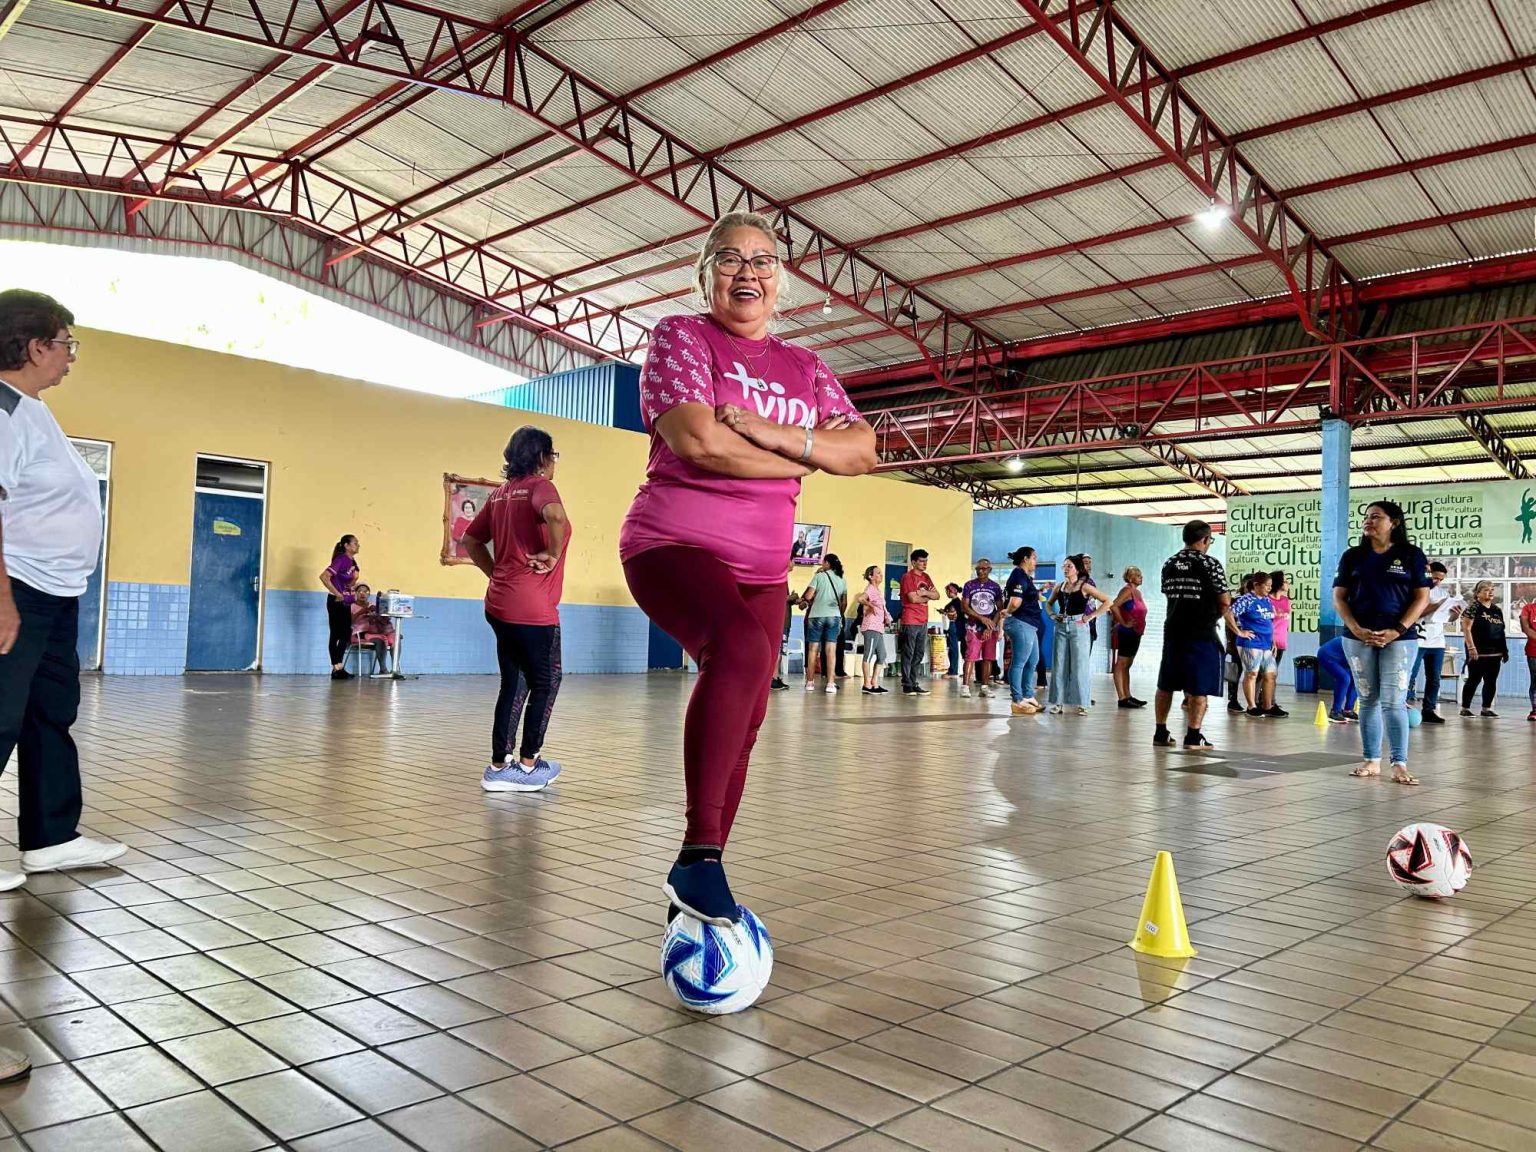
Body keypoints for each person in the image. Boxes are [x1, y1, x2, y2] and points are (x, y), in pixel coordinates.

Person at [618, 210, 876, 926]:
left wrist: (767, 431)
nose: (747, 272)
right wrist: (806, 453)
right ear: (705, 275)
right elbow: (699, 443)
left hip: (764, 569)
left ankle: (698, 880)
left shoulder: (807, 368)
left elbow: (862, 451)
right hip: (673, 542)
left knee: (749, 711)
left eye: (763, 261)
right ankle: (699, 856)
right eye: (729, 259)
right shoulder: (681, 337)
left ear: (780, 281)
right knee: (737, 650)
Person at [0, 289, 129, 1083]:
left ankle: (50, 837)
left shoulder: (32, 410)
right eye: (66, 342)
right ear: (32, 345)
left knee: (51, 712)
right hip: (17, 588)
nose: (71, 355)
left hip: (53, 589)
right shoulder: (2, 410)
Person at [461, 426, 570, 793]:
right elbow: (556, 517)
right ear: (542, 457)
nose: (554, 463)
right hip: (532, 609)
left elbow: (471, 540)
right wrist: (552, 554)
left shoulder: (500, 494)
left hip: (499, 603)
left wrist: (497, 575)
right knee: (547, 682)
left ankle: (498, 766)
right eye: (553, 456)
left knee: (515, 682)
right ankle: (528, 765)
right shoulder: (541, 487)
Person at [1334, 499, 1431, 785]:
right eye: (1366, 517)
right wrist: (1356, 628)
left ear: (1394, 523)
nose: (1368, 521)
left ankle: (1399, 763)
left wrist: (1397, 630)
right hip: (1358, 637)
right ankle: (1371, 760)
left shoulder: (1411, 555)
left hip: (1400, 639)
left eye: (1376, 516)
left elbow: (1422, 598)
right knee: (1367, 699)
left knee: (1393, 701)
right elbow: (1339, 597)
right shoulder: (1353, 556)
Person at [1152, 521, 1246, 750]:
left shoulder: (1169, 563)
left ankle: (1161, 732)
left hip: (1173, 630)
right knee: (1199, 686)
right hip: (1201, 632)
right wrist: (1226, 624)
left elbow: (1169, 595)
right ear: (1204, 540)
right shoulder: (1209, 563)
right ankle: (1193, 737)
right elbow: (1224, 602)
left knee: (1166, 683)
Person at [1045, 555, 1111, 715]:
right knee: (1059, 665)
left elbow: (1107, 601)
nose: (1066, 569)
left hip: (1079, 626)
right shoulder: (1059, 587)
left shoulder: (1085, 586)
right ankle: (1058, 703)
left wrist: (1090, 616)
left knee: (1080, 666)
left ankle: (1082, 703)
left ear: (1077, 569)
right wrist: (1052, 615)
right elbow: (1049, 603)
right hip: (1061, 626)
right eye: (1064, 566)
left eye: (1070, 566)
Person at [1408, 561, 1459, 723]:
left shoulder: (1443, 594)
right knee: (1410, 675)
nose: (1437, 582)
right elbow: (1415, 613)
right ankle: (1402, 707)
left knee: (1434, 678)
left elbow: (1447, 618)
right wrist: (1436, 605)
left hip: (1437, 641)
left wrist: (1455, 614)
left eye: (1441, 579)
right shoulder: (1415, 590)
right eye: (1435, 578)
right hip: (1417, 639)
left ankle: (1429, 710)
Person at [1231, 572, 1286, 718]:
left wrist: (1273, 640)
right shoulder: (1246, 599)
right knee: (1252, 673)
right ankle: (1252, 706)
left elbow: (1269, 622)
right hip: (1251, 643)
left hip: (1266, 643)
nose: (1269, 588)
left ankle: (1268, 706)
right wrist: (1239, 631)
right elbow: (1228, 613)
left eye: (1270, 586)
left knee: (1271, 674)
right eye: (1266, 585)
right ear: (1256, 585)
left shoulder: (1267, 600)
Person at [1002, 547, 1043, 716]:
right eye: (1034, 558)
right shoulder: (1018, 575)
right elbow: (1015, 602)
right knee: (1019, 662)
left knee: (1033, 660)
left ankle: (1027, 695)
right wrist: (1008, 611)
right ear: (1025, 559)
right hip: (1021, 622)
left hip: (1030, 624)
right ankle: (1017, 700)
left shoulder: (1025, 577)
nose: (1035, 561)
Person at [1459, 579, 1507, 718]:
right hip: (1478, 652)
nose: (1490, 592)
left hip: (1495, 652)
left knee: (1491, 681)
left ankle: (1486, 709)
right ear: (1478, 593)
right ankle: (1465, 708)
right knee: (1474, 680)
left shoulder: (1496, 610)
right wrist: (1471, 647)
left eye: (1492, 589)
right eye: (1486, 590)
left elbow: (1501, 631)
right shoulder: (1473, 607)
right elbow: (1466, 628)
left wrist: (1504, 650)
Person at [801, 553, 847, 693]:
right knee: (831, 650)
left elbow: (808, 595)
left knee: (813, 649)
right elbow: (844, 602)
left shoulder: (819, 576)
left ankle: (810, 683)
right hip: (834, 616)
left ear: (827, 563)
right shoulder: (842, 580)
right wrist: (839, 614)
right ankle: (830, 684)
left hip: (816, 616)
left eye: (823, 562)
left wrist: (806, 599)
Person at [959, 559, 1003, 699]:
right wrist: (981, 618)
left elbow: (1000, 609)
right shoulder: (969, 585)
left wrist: (991, 626)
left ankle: (984, 687)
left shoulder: (995, 587)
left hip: (990, 628)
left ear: (989, 570)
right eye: (978, 568)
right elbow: (965, 606)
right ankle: (965, 687)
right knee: (970, 656)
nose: (980, 571)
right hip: (973, 627)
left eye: (984, 568)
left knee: (988, 658)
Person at [319, 534, 361, 680]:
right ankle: (337, 667)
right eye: (355, 543)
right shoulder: (341, 559)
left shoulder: (352, 561)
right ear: (346, 545)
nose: (358, 545)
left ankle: (338, 667)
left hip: (345, 602)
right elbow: (324, 577)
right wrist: (337, 593)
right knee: (336, 634)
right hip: (336, 601)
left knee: (345, 634)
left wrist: (353, 582)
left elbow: (348, 581)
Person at [898, 550, 939, 695]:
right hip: (910, 619)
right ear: (914, 562)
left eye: (926, 561)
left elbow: (937, 595)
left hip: (923, 620)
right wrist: (928, 597)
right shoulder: (907, 577)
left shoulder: (926, 577)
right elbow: (913, 598)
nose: (924, 564)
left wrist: (925, 593)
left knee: (919, 653)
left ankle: (914, 681)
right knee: (908, 652)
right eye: (921, 561)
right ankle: (906, 683)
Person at [1109, 566, 1147, 708]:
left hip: (1136, 632)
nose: (1141, 577)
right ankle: (1122, 698)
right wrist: (1123, 623)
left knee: (1127, 664)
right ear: (1130, 578)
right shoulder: (1127, 590)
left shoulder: (1137, 592)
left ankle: (1128, 695)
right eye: (1137, 575)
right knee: (1122, 663)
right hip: (1127, 632)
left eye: (1140, 575)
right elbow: (1114, 606)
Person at [347, 583, 394, 675]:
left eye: (365, 592)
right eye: (360, 591)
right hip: (360, 634)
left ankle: (393, 669)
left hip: (375, 631)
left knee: (389, 639)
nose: (362, 594)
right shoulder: (351, 606)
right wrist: (363, 611)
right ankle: (383, 669)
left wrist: (379, 611)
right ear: (356, 593)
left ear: (368, 594)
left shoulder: (372, 605)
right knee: (380, 641)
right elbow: (349, 621)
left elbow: (385, 620)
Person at [858, 564, 889, 694]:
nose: (881, 575)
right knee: (869, 654)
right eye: (878, 573)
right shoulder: (870, 588)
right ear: (871, 576)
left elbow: (882, 608)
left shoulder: (878, 591)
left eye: (881, 573)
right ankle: (866, 684)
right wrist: (870, 605)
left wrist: (887, 618)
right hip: (871, 626)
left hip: (879, 627)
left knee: (882, 655)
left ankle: (874, 683)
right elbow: (860, 598)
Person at [1316, 636, 1359, 723]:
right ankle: (1335, 712)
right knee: (1344, 678)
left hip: (1343, 657)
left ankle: (1348, 711)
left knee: (1356, 678)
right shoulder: (1363, 642)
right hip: (1327, 655)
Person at [1268, 570, 1291, 677]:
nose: (1288, 583)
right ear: (1278, 583)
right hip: (1268, 642)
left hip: (1281, 642)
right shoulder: (1267, 600)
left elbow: (1287, 623)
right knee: (1265, 675)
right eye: (1285, 581)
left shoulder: (1286, 601)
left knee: (1273, 674)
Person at [941, 581, 963, 678]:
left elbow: (953, 615)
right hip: (956, 627)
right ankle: (955, 670)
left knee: (953, 649)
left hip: (954, 626)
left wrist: (945, 612)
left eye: (947, 591)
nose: (946, 593)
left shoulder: (955, 603)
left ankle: (953, 671)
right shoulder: (958, 602)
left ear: (951, 591)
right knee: (954, 649)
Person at [1521, 593, 1536, 722]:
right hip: (1533, 651)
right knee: (1535, 680)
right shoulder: (1528, 608)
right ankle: (1535, 710)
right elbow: (1526, 628)